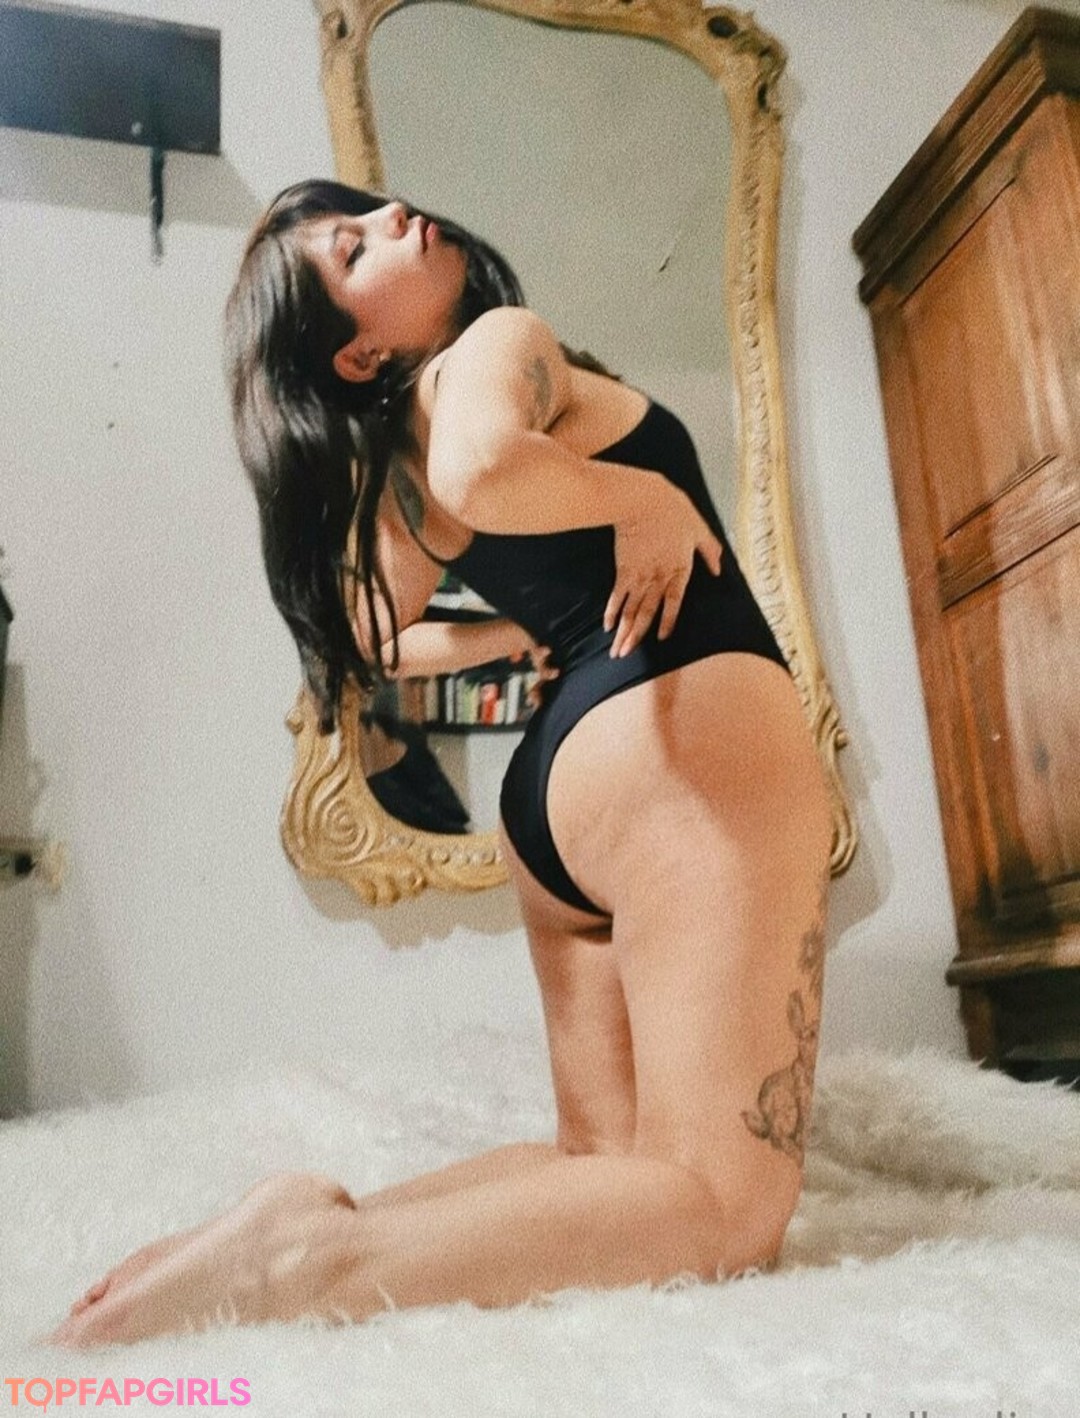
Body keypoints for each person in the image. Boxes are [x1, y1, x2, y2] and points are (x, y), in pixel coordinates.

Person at [50, 181, 832, 1348]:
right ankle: (299, 1262)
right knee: (726, 1202)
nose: (395, 215)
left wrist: (504, 633)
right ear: (361, 352)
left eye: (367, 212)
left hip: (560, 786)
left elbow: (370, 637)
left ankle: (329, 1229)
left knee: (603, 1156)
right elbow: (484, 470)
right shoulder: (496, 343)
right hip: (681, 734)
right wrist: (647, 495)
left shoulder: (399, 476)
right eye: (353, 248)